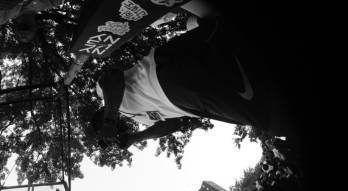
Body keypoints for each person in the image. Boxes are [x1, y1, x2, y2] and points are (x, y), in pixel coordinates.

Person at [91, 16, 292, 151]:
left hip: (166, 76)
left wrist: (109, 119)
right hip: (191, 105)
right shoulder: (140, 118)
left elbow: (112, 77)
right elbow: (173, 123)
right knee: (270, 120)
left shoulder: (104, 95)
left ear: (100, 119)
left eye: (104, 132)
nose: (111, 135)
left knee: (268, 112)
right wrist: (137, 138)